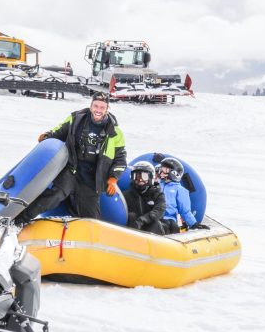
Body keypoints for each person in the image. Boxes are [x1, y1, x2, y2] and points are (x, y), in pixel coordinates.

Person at [15, 92, 126, 224]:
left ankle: (88, 241)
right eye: (96, 106)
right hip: (72, 170)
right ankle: (18, 221)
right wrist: (47, 136)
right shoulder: (76, 118)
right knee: (52, 197)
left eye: (102, 107)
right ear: (91, 106)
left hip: (92, 180)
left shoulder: (115, 132)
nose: (98, 110)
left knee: (92, 219)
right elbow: (59, 132)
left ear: (107, 109)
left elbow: (120, 158)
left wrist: (113, 178)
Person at [157, 157, 208, 233]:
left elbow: (185, 211)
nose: (161, 172)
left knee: (160, 226)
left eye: (165, 170)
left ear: (174, 173)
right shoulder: (157, 186)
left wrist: (194, 224)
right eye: (161, 169)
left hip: (169, 220)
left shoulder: (179, 190)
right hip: (155, 217)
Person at [123, 161, 166, 234]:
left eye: (144, 176)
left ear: (151, 177)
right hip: (133, 228)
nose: (140, 179)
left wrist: (142, 220)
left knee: (156, 224)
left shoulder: (158, 194)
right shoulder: (127, 195)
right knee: (131, 216)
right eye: (136, 176)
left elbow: (159, 211)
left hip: (150, 226)